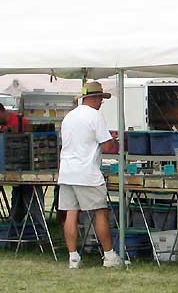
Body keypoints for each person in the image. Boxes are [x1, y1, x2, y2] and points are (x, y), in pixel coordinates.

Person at [58, 81, 122, 269]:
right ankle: (109, 256)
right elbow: (108, 146)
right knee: (100, 212)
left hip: (67, 172)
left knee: (71, 213)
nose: (102, 102)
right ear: (95, 98)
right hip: (87, 173)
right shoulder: (95, 116)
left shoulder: (69, 117)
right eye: (101, 98)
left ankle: (73, 257)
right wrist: (113, 139)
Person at [0, 100, 40, 225]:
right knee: (17, 197)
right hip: (14, 170)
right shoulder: (3, 127)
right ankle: (14, 224)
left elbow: (20, 147)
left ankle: (38, 228)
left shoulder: (18, 123)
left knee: (32, 201)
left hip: (26, 170)